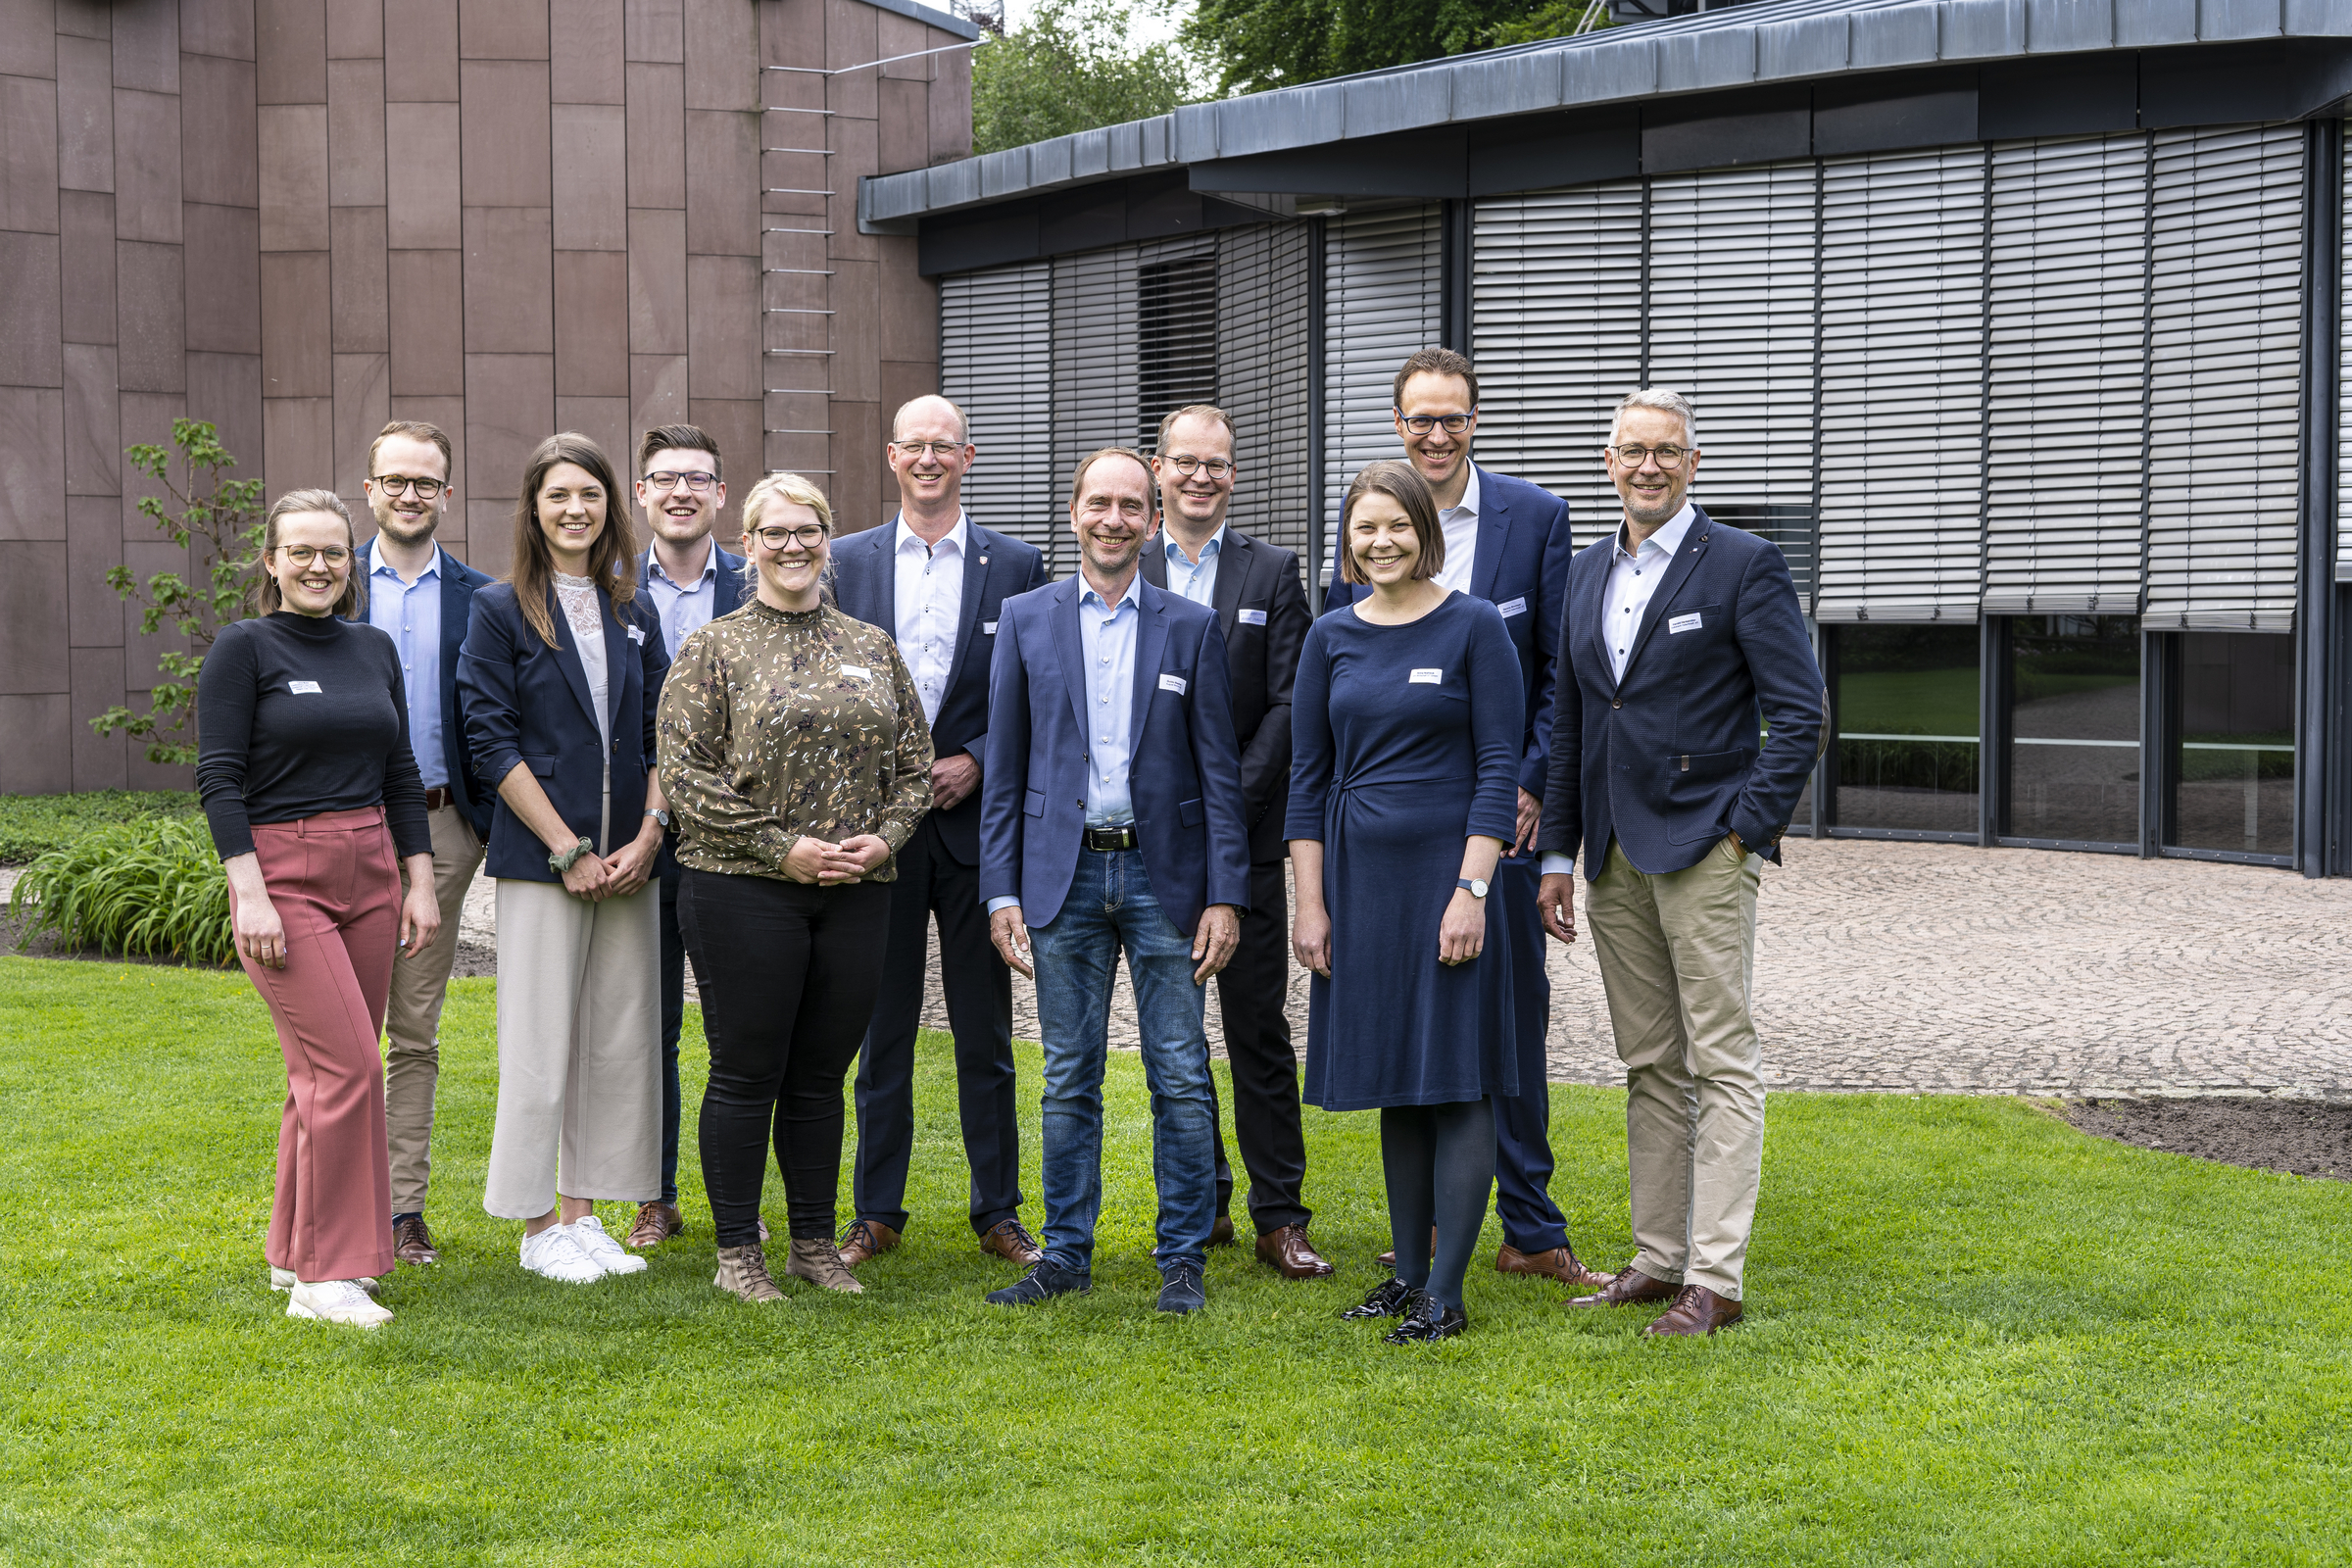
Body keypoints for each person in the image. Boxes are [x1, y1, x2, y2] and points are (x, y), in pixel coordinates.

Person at [1535, 388, 1824, 1336]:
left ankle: (1716, 1278)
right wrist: (1559, 853)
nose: (1647, 465)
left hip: (1705, 847)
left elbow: (1801, 713)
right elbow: (1577, 721)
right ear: (1608, 462)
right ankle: (1657, 1261)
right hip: (1613, 856)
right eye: (1630, 450)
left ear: (1692, 463)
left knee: (1722, 1059)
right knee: (1650, 1063)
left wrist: (1744, 830)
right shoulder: (1586, 573)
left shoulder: (1743, 563)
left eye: (1666, 450)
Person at [1322, 348, 1602, 1292]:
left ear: (1474, 423)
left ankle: (1529, 1224)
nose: (1436, 435)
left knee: (1504, 1029)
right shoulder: (1368, 522)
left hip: (1498, 822)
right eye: (1419, 420)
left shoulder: (1535, 517)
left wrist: (1527, 789)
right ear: (1398, 426)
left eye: (1453, 419)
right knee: (1417, 1028)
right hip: (1391, 844)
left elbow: (1559, 677)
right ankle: (1430, 1236)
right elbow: (1347, 670)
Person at [980, 446, 1250, 1316]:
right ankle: (1065, 1252)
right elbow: (1006, 769)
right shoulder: (1026, 619)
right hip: (1061, 877)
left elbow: (1220, 773)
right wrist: (1001, 891)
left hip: (1164, 875)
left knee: (1178, 1071)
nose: (1115, 519)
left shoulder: (1189, 625)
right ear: (1074, 511)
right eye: (1100, 503)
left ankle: (1181, 1257)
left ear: (1153, 516)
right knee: (1069, 1076)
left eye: (1132, 506)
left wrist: (1226, 893)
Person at [658, 472, 935, 1303]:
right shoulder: (715, 648)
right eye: (774, 532)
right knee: (747, 1072)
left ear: (828, 538)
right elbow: (685, 772)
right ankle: (738, 1249)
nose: (792, 546)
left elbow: (916, 766)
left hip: (858, 887)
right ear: (748, 543)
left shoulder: (871, 644)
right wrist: (785, 849)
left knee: (820, 1075)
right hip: (743, 887)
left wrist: (883, 838)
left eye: (807, 530)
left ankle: (815, 1241)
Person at [196, 488, 442, 1329]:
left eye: (333, 552)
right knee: (348, 1069)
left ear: (351, 561)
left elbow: (400, 771)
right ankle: (326, 1277)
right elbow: (218, 779)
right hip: (284, 874)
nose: (318, 566)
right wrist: (250, 889)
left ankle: (291, 1250)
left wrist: (419, 877)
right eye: (300, 551)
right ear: (270, 562)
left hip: (370, 866)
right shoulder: (244, 648)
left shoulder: (372, 648)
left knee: (322, 1075)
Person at [1292, 461, 1523, 1345]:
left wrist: (1472, 889)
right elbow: (1307, 780)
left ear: (1425, 530)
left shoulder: (1472, 626)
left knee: (1457, 1078)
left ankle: (1449, 1295)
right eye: (1363, 528)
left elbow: (1500, 766)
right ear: (1347, 542)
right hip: (1360, 886)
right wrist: (1310, 905)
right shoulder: (1331, 636)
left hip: (1447, 879)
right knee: (1399, 1079)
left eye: (1395, 525)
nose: (1379, 541)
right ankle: (1410, 1275)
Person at [829, 395, 1049, 1271]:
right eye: (913, 446)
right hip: (877, 836)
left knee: (985, 1032)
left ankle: (998, 1212)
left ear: (969, 455)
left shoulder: (1018, 563)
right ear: (891, 457)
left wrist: (984, 761)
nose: (928, 459)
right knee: (880, 1030)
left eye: (943, 446)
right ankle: (876, 1212)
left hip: (972, 829)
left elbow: (1039, 686)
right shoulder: (846, 560)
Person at [455, 431, 671, 1285]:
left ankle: (583, 1218)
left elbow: (659, 736)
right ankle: (536, 1222)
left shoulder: (633, 609)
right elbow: (489, 739)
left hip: (630, 862)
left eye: (590, 494)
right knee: (542, 1039)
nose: (575, 509)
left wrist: (649, 837)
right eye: (558, 496)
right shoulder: (498, 609)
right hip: (545, 857)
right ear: (534, 509)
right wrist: (567, 848)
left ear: (610, 506)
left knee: (614, 1039)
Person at [1137, 404, 1328, 1279]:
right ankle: (1199, 1200)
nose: (1201, 477)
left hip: (1243, 842)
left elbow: (1292, 702)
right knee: (1171, 1037)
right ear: (1158, 469)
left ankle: (1279, 1217)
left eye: (1217, 465)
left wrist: (1227, 798)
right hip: (1145, 848)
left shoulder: (1274, 571)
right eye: (1186, 463)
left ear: (1234, 475)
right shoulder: (1124, 558)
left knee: (1256, 1030)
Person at [354, 419, 495, 1269]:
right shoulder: (330, 587)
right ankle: (335, 1200)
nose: (410, 494)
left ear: (447, 494)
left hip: (442, 834)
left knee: (412, 1030)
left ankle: (402, 1210)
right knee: (340, 1032)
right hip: (336, 830)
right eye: (394, 480)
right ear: (368, 490)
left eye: (426, 482)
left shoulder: (483, 599)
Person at [625, 422, 748, 1250]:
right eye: (664, 478)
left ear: (719, 494)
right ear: (641, 494)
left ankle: (744, 1203)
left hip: (742, 841)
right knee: (649, 1026)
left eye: (696, 478)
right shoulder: (605, 588)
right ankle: (653, 1194)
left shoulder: (760, 582)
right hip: (638, 839)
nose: (679, 492)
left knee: (746, 1025)